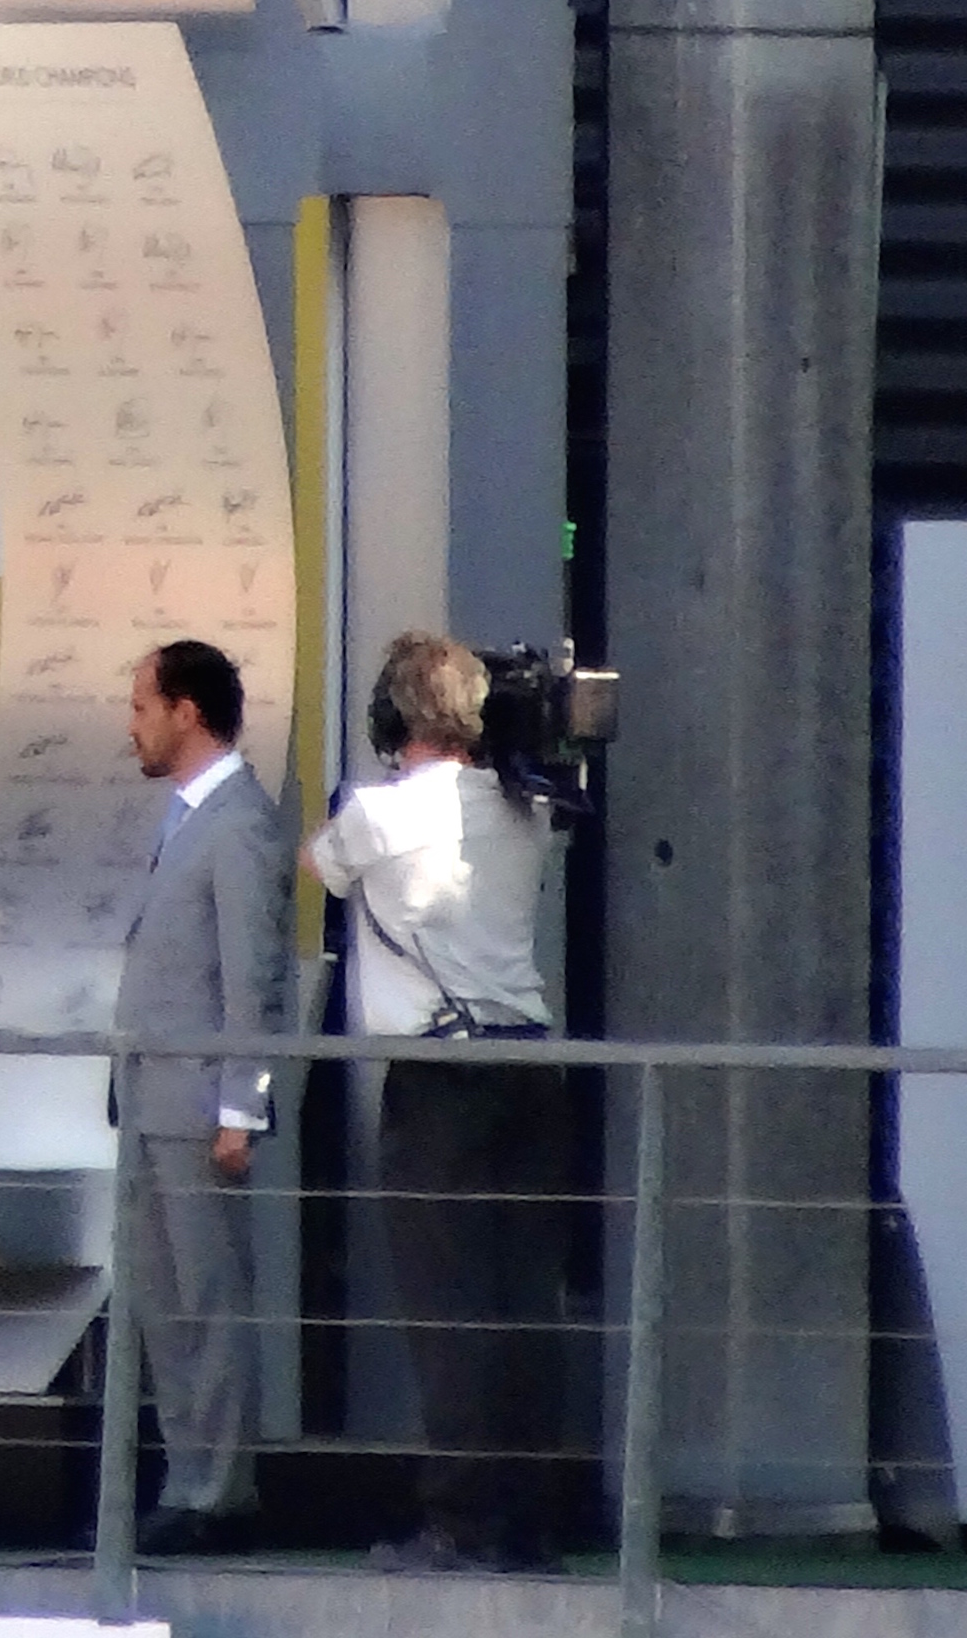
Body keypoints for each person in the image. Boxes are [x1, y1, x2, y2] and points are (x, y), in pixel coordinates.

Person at [308, 630, 566, 1576]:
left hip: (440, 1074)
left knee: (446, 1307)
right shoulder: (527, 809)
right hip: (532, 1065)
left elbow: (320, 866)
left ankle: (459, 1523)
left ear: (393, 718)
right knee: (524, 1304)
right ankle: (530, 1523)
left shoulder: (378, 814)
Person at [116, 636, 286, 1557]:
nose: (132, 725)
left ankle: (219, 1489)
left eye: (143, 706)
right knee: (166, 1302)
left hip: (196, 1109)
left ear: (188, 712)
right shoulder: (187, 818)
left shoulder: (239, 824)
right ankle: (190, 1478)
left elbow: (251, 979)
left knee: (208, 1298)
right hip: (151, 1100)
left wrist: (238, 1108)